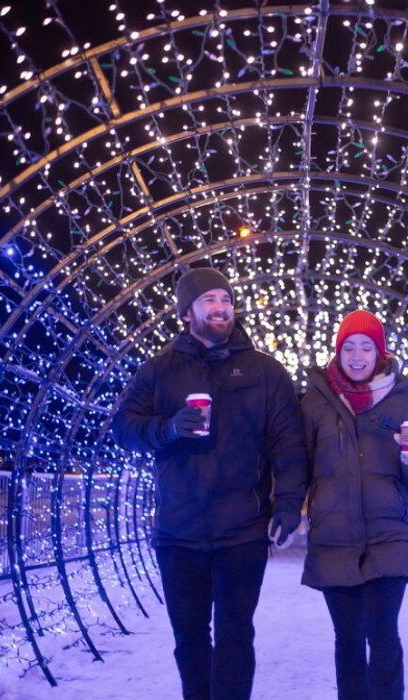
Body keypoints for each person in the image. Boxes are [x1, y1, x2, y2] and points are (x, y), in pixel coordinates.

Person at [112, 267, 308, 700]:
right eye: (209, 300)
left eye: (226, 300)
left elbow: (288, 443)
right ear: (187, 312)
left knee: (236, 634)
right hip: (178, 533)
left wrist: (289, 505)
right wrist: (166, 428)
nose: (220, 308)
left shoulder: (266, 371)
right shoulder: (158, 371)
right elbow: (124, 429)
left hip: (242, 530)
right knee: (190, 639)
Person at [300, 310, 408, 700]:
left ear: (380, 352)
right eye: (349, 347)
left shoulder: (403, 401)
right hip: (334, 538)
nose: (357, 356)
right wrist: (287, 508)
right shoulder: (314, 402)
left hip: (387, 536)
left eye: (366, 347)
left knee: (383, 633)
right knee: (347, 639)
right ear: (338, 351)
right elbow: (297, 463)